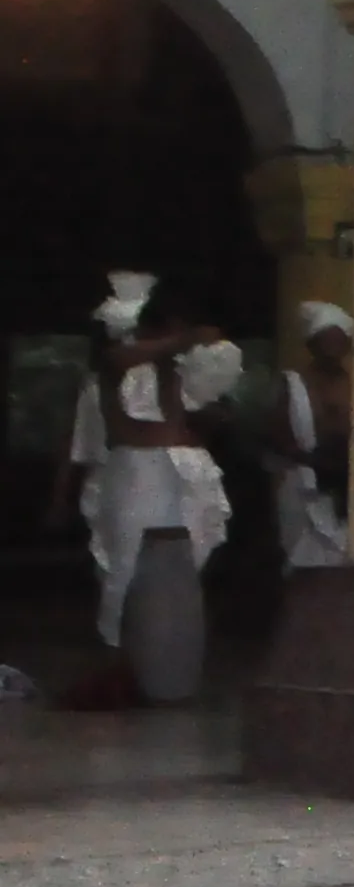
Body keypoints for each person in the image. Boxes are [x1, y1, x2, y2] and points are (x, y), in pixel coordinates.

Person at [52, 273, 235, 653]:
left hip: (186, 473)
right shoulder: (118, 363)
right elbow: (116, 363)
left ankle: (169, 655)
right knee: (126, 565)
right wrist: (186, 339)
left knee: (187, 561)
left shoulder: (178, 369)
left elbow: (212, 403)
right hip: (135, 472)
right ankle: (121, 652)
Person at [273, 301, 354, 575]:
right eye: (325, 340)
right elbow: (277, 437)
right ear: (311, 344)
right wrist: (313, 460)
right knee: (303, 564)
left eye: (338, 340)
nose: (332, 347)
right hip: (303, 484)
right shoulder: (292, 383)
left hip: (346, 489)